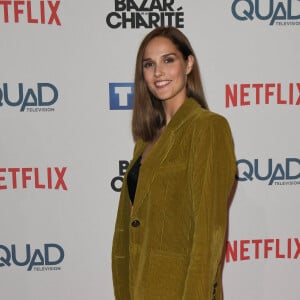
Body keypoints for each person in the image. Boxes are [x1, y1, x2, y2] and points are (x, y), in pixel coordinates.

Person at [112, 26, 236, 300]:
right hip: (139, 286)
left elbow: (209, 230)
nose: (158, 72)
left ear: (188, 63)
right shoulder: (145, 141)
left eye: (168, 60)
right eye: (149, 64)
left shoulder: (208, 128)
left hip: (179, 290)